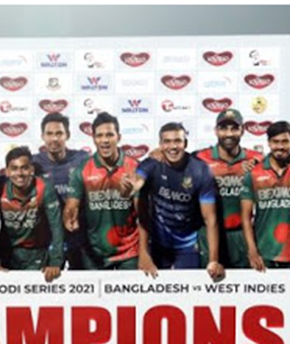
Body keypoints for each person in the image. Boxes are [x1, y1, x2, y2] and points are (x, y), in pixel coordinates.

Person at [120, 122, 224, 280]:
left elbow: (210, 219)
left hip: (187, 244)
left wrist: (214, 260)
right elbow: (136, 186)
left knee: (188, 294)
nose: (173, 146)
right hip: (158, 244)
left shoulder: (200, 170)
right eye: (167, 142)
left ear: (185, 144)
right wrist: (127, 188)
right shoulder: (151, 164)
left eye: (177, 141)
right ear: (160, 145)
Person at [241, 121, 290, 273]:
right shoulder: (254, 173)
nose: (280, 146)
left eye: (285, 141)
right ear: (268, 143)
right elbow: (245, 216)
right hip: (263, 254)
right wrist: (252, 251)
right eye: (275, 142)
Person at [64, 112, 139, 269]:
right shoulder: (82, 170)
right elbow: (71, 206)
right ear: (94, 138)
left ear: (119, 137)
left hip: (130, 252)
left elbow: (144, 216)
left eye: (110, 135)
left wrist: (133, 192)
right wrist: (70, 217)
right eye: (100, 136)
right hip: (94, 253)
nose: (104, 140)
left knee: (129, 294)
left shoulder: (135, 168)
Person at [194, 109, 264, 268]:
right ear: (216, 131)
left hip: (242, 234)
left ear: (243, 130)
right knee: (211, 288)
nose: (229, 134)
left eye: (234, 128)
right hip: (210, 234)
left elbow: (283, 165)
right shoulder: (199, 158)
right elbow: (174, 161)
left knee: (244, 288)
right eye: (223, 128)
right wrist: (158, 153)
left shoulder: (256, 159)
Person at [0, 147, 64, 282]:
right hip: (8, 252)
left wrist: (55, 262)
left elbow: (56, 226)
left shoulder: (44, 187)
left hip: (37, 252)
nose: (19, 173)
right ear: (7, 172)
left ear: (32, 170)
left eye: (24, 168)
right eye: (14, 168)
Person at [32, 113, 89, 269]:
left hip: (78, 231)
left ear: (67, 135)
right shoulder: (33, 162)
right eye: (49, 134)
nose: (54, 139)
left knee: (83, 283)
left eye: (59, 133)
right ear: (42, 136)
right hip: (49, 235)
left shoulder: (82, 159)